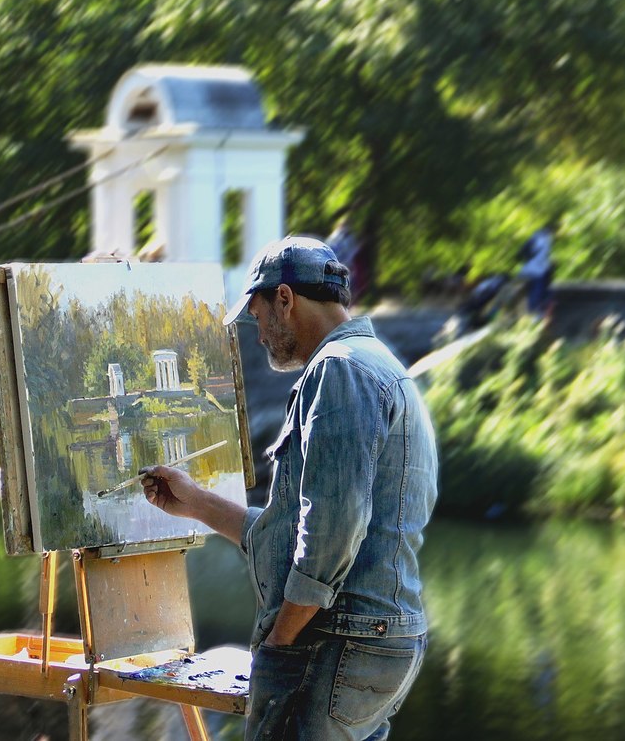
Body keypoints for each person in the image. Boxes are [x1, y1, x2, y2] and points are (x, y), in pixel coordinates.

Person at [139, 235, 438, 741]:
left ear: (285, 298)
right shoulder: (380, 364)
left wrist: (282, 640)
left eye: (256, 314)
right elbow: (299, 530)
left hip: (337, 641)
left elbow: (331, 528)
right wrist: (196, 502)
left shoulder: (340, 371)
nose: (258, 334)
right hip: (380, 639)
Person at [518, 221, 556, 315]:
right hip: (539, 271)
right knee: (539, 290)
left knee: (534, 290)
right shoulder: (546, 239)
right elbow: (543, 256)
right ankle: (535, 312)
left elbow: (520, 253)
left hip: (526, 270)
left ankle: (534, 310)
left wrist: (529, 261)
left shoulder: (534, 237)